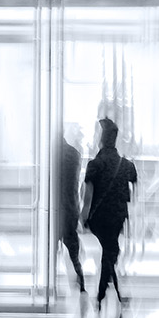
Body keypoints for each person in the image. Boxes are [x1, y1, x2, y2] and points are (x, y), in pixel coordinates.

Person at [83, 119, 137, 310]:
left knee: (109, 252)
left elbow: (88, 194)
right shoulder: (127, 165)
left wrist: (83, 216)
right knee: (111, 251)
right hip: (118, 216)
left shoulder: (94, 165)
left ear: (101, 139)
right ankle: (104, 293)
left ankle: (102, 294)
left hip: (99, 218)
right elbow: (134, 187)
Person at [54, 124, 86, 296]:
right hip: (70, 208)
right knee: (73, 252)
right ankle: (80, 285)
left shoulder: (49, 156)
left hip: (53, 211)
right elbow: (73, 186)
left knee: (50, 253)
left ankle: (50, 286)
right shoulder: (74, 154)